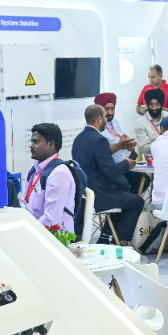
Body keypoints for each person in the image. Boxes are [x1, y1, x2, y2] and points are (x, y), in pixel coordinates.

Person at [72, 104, 143, 244]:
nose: (106, 120)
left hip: (85, 192)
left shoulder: (78, 139)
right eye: (104, 117)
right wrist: (127, 164)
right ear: (99, 119)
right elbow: (111, 170)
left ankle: (108, 235)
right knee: (137, 201)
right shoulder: (100, 140)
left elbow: (96, 159)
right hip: (101, 194)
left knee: (126, 191)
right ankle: (120, 242)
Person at [22, 123, 76, 233]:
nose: (31, 146)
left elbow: (50, 220)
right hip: (33, 228)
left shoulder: (59, 174)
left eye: (36, 142)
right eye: (32, 141)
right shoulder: (33, 168)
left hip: (53, 236)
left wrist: (27, 232)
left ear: (50, 144)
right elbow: (24, 203)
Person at [96, 92, 137, 163]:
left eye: (112, 108)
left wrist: (128, 145)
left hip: (122, 163)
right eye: (107, 109)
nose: (110, 112)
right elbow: (99, 153)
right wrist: (119, 146)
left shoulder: (114, 122)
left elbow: (120, 138)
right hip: (108, 167)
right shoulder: (94, 125)